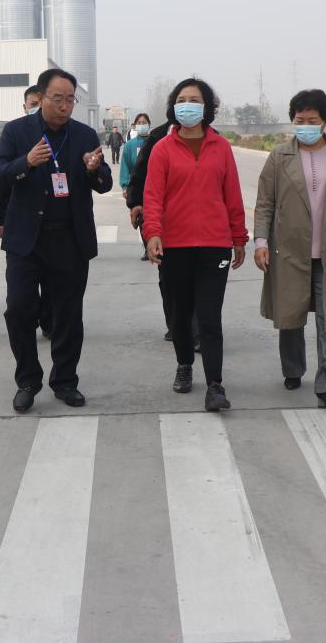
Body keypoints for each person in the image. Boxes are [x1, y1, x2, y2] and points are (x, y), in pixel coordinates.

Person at [0, 68, 112, 413]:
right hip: (26, 241)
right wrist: (26, 162)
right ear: (41, 98)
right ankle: (28, 380)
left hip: (69, 241)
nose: (64, 105)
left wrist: (94, 169)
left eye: (70, 99)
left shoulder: (84, 135)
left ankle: (65, 381)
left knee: (68, 315)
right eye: (57, 98)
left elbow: (104, 183)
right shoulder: (17, 132)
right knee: (18, 310)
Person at [253, 89, 326, 409]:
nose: (305, 126)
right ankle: (292, 368)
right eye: (299, 120)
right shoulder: (279, 157)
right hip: (288, 250)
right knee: (290, 316)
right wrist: (261, 242)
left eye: (312, 120)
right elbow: (265, 203)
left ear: (325, 122)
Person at [143, 78, 247, 412]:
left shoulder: (221, 147)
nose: (187, 105)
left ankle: (215, 384)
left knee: (209, 316)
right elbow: (153, 196)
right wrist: (153, 234)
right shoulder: (162, 149)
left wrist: (239, 237)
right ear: (173, 106)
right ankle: (184, 364)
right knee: (180, 313)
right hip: (175, 245)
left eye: (195, 100)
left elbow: (232, 195)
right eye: (182, 100)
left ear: (207, 108)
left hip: (215, 245)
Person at [127, 115, 202, 346]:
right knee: (169, 278)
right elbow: (140, 172)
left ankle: (197, 332)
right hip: (164, 221)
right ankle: (176, 325)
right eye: (183, 100)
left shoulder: (212, 138)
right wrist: (136, 203)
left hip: (200, 222)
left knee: (199, 278)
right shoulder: (158, 137)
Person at [0, 85, 52, 339]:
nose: (36, 108)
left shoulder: (67, 132)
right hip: (21, 229)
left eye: (40, 102)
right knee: (19, 301)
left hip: (56, 231)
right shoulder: (14, 132)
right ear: (25, 106)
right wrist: (0, 218)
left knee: (54, 293)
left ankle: (49, 321)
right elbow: (0, 178)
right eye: (32, 104)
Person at [120, 112, 151, 259]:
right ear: (134, 125)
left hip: (152, 184)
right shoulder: (130, 145)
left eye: (144, 122)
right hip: (136, 186)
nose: (142, 125)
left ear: (149, 125)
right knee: (140, 218)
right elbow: (125, 166)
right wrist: (125, 186)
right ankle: (147, 247)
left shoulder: (155, 142)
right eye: (139, 123)